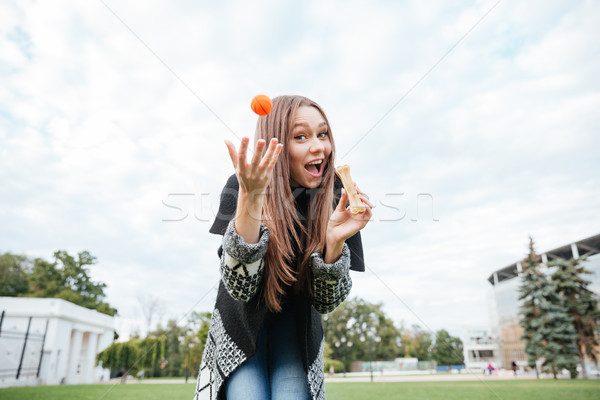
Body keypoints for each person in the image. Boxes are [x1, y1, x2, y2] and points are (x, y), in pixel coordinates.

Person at [193, 95, 372, 400]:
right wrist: (250, 202)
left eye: (323, 134)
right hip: (240, 328)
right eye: (301, 136)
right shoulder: (242, 185)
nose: (319, 147)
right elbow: (241, 288)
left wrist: (334, 242)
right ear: (275, 143)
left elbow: (327, 303)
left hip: (297, 333)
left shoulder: (338, 199)